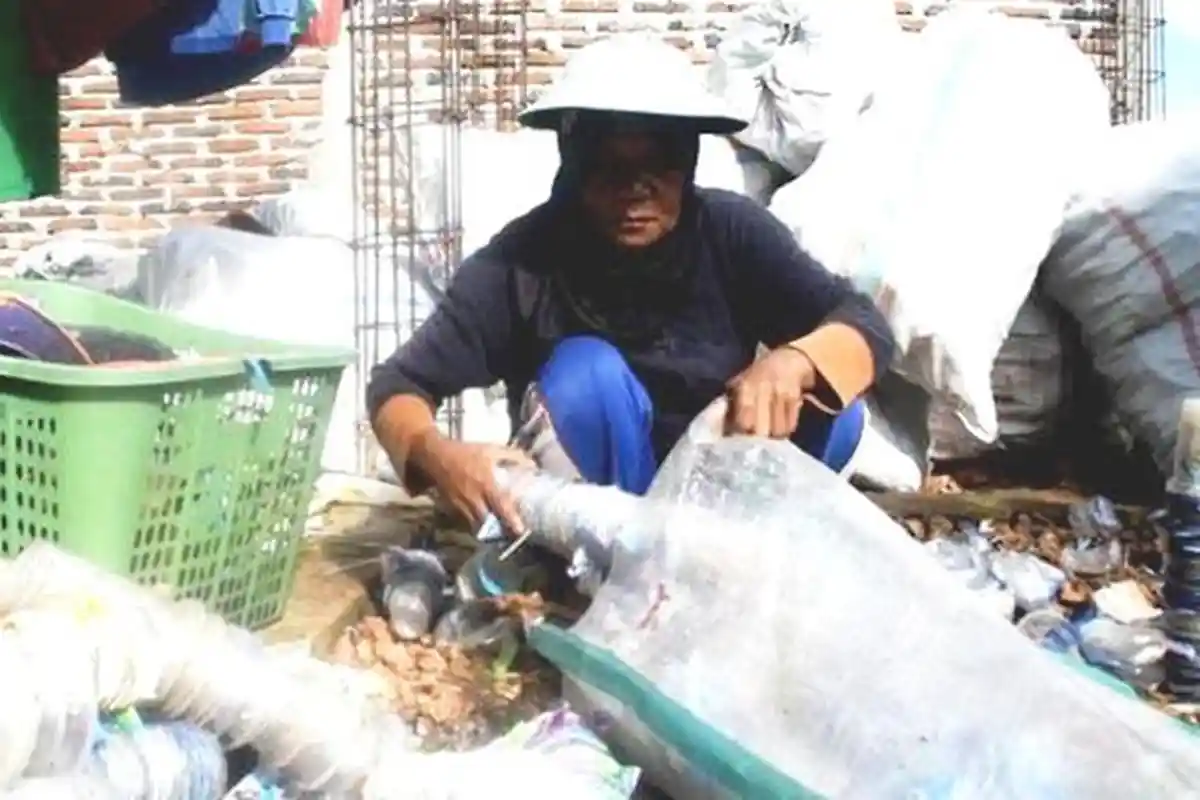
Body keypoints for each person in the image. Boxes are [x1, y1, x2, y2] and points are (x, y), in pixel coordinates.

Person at [367, 35, 895, 540]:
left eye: (657, 167)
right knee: (585, 372)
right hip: (596, 524)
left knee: (829, 399)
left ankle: (752, 574)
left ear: (687, 162)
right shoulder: (523, 261)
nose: (635, 192)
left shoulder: (731, 233)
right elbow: (397, 386)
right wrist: (436, 454)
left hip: (723, 505)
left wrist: (793, 362)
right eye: (609, 168)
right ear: (572, 164)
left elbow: (862, 323)